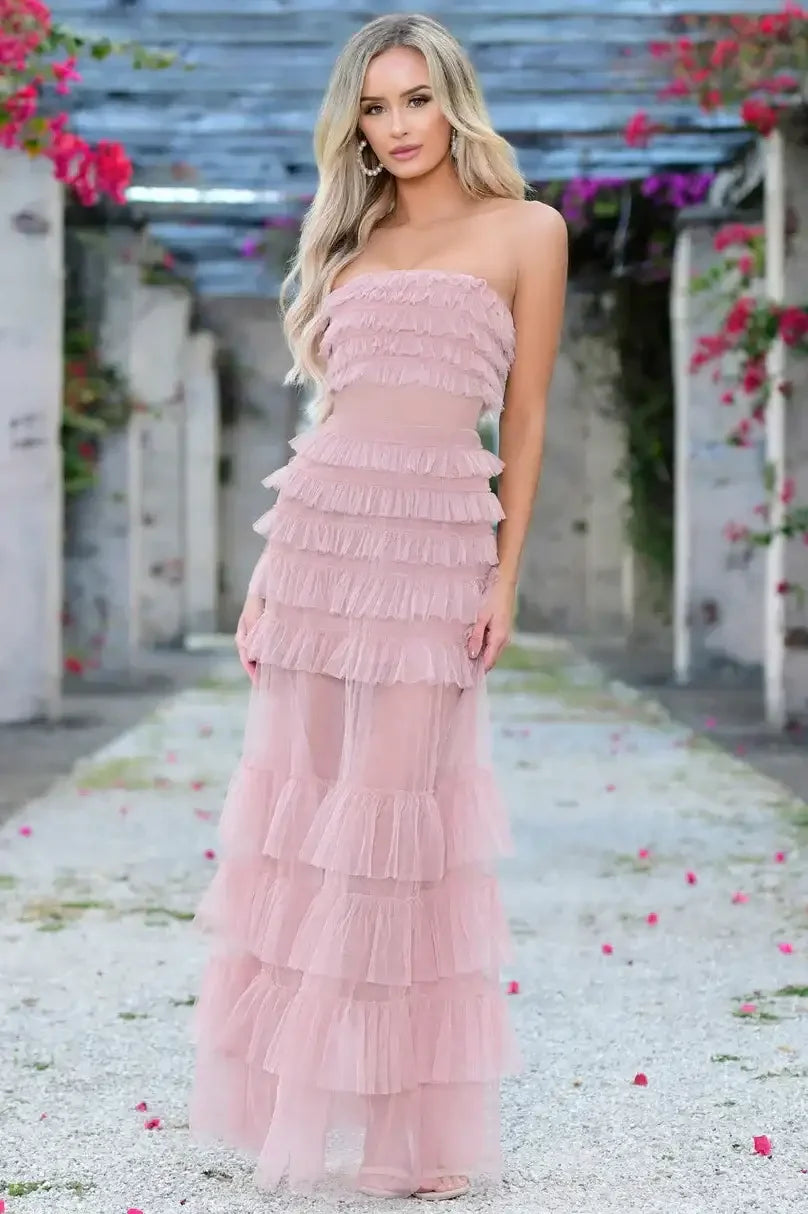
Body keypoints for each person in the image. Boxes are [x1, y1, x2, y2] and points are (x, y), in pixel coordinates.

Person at [189, 10, 567, 1201]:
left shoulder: (527, 230)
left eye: (413, 99)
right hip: (317, 553)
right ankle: (298, 1113)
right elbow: (326, 426)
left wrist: (504, 576)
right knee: (302, 826)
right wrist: (262, 584)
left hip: (436, 552)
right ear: (352, 123)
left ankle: (409, 1139)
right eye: (373, 105)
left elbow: (526, 418)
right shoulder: (344, 247)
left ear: (453, 99)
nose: (396, 126)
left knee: (401, 834)